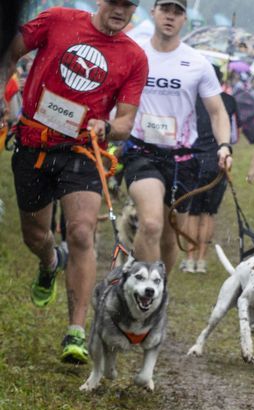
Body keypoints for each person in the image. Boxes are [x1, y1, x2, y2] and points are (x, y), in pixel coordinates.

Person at [2, 0, 147, 363]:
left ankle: (76, 331)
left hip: (82, 151)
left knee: (82, 232)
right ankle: (51, 261)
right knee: (35, 235)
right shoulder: (59, 19)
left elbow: (127, 120)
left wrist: (108, 126)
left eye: (128, 5)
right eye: (115, 2)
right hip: (33, 144)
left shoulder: (133, 56)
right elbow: (8, 54)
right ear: (101, 1)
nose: (119, 10)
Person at [121, 0, 233, 274]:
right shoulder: (134, 53)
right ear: (153, 11)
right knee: (150, 223)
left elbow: (218, 112)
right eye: (165, 9)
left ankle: (158, 292)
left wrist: (224, 146)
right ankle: (139, 286)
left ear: (185, 19)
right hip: (140, 151)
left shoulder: (198, 63)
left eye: (177, 12)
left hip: (182, 159)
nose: (170, 17)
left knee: (170, 237)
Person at [181, 63, 238, 273]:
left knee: (192, 212)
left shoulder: (192, 99)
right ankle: (202, 260)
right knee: (208, 212)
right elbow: (233, 136)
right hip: (218, 161)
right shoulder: (230, 101)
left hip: (193, 159)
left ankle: (189, 258)